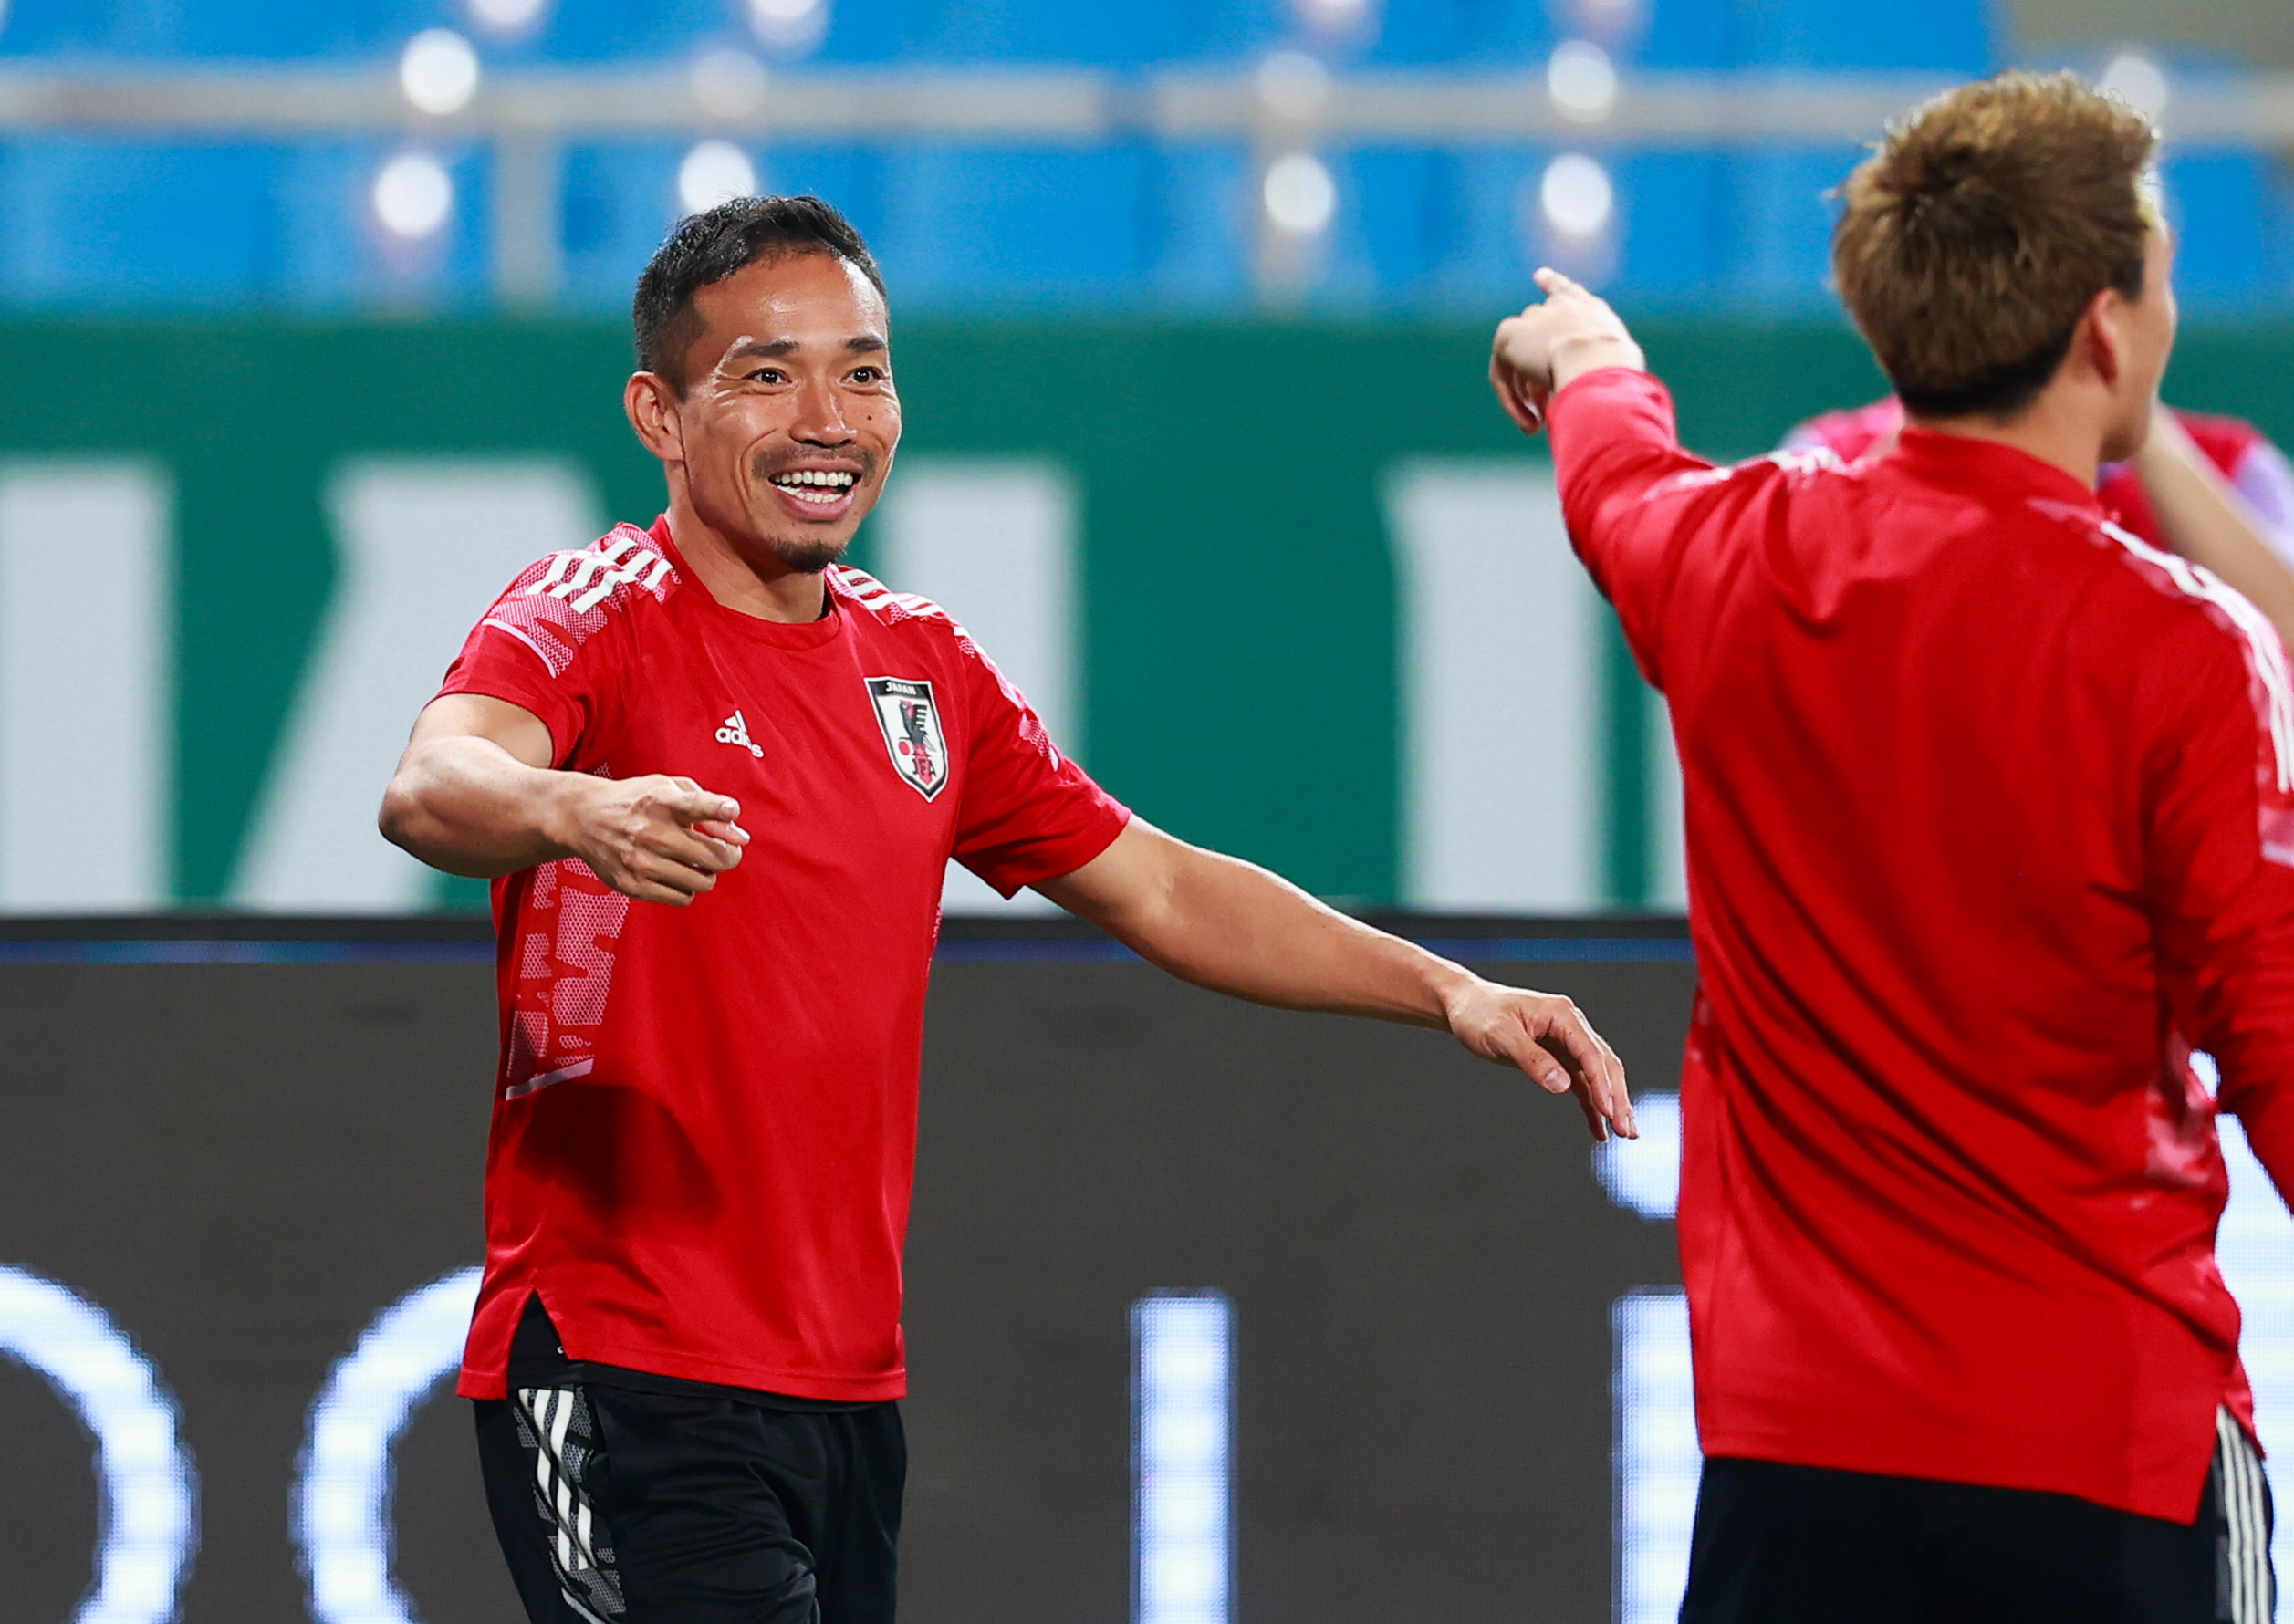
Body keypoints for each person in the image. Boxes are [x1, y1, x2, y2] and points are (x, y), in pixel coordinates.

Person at [378, 193, 1632, 1624]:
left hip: (846, 1393)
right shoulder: (595, 606)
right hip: (619, 1370)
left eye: (862, 369)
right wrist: (570, 809)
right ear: (658, 415)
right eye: (766, 375)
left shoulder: (922, 671)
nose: (828, 417)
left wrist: (1446, 989)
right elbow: (432, 784)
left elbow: (1157, 884)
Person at [1487, 72, 2290, 1623]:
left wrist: (1580, 347)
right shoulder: (2178, 648)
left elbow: (1611, 468)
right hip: (2100, 1453)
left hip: (1792, 1459)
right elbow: (2271, 1047)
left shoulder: (1725, 556)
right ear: (2106, 333)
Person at [1785, 395, 2294, 649]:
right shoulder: (1829, 456)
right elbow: (1782, 617)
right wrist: (1944, 398)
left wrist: (2141, 424)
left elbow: (2284, 626)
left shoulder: (2236, 464)